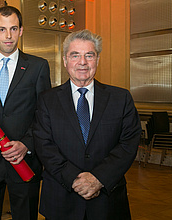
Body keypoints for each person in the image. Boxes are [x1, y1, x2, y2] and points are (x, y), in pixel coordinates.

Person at [32, 29, 141, 220]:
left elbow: (128, 144)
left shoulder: (120, 98)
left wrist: (98, 179)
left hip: (107, 201)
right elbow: (44, 145)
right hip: (61, 199)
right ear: (65, 61)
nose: (82, 62)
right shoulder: (47, 100)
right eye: (75, 55)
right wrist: (75, 179)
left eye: (89, 55)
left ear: (97, 60)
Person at [0, 6, 51, 220]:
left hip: (23, 160)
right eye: (2, 29)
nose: (8, 36)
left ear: (21, 31)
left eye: (13, 29)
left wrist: (27, 144)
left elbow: (45, 114)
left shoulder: (38, 67)